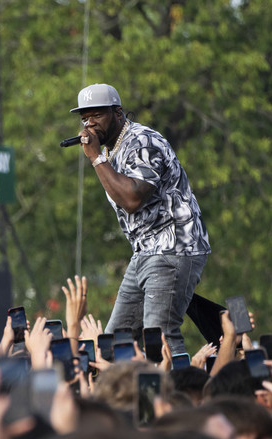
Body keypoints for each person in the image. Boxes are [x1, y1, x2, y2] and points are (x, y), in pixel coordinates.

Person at [71, 83, 210, 355]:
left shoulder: (142, 141)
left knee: (160, 335)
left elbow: (133, 199)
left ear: (118, 112)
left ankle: (182, 393)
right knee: (114, 343)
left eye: (97, 115)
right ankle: (121, 396)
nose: (89, 124)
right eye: (84, 118)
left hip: (174, 247)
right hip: (146, 252)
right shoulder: (110, 150)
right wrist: (101, 157)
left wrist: (96, 158)